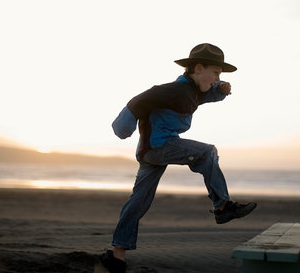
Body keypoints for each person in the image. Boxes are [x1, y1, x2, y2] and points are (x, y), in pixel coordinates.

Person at [100, 43, 257, 273]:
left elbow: (202, 97)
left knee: (138, 201)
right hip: (160, 146)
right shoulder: (175, 90)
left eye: (220, 74)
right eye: (215, 72)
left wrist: (220, 90)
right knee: (207, 152)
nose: (216, 77)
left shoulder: (192, 91)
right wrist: (123, 127)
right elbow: (138, 101)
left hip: (152, 151)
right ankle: (223, 206)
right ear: (199, 68)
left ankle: (117, 257)